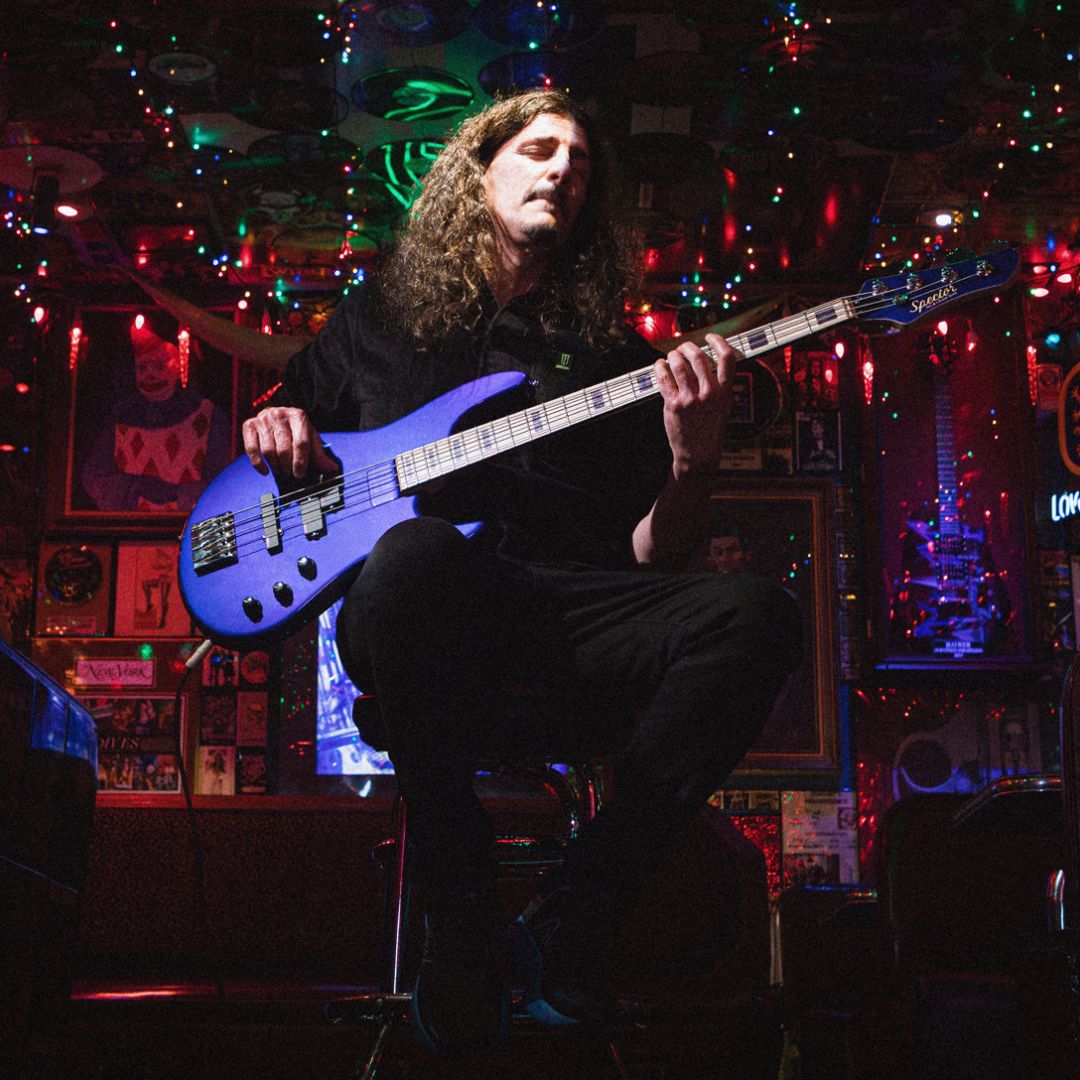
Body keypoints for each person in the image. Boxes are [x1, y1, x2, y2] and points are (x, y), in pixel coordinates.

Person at [241, 90, 802, 1056]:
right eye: (540, 149)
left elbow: (652, 560)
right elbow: (272, 438)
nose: (562, 171)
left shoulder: (617, 362)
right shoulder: (378, 321)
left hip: (567, 615)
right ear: (479, 170)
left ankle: (575, 914)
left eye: (581, 162)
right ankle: (457, 907)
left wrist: (694, 461)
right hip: (417, 615)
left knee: (757, 613)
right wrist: (273, 429)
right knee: (416, 552)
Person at [80, 321, 230, 512]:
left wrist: (181, 495)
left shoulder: (208, 416)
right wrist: (135, 489)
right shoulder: (121, 418)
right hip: (130, 533)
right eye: (142, 368)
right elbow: (94, 474)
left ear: (177, 368)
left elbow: (224, 480)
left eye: (159, 366)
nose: (149, 375)